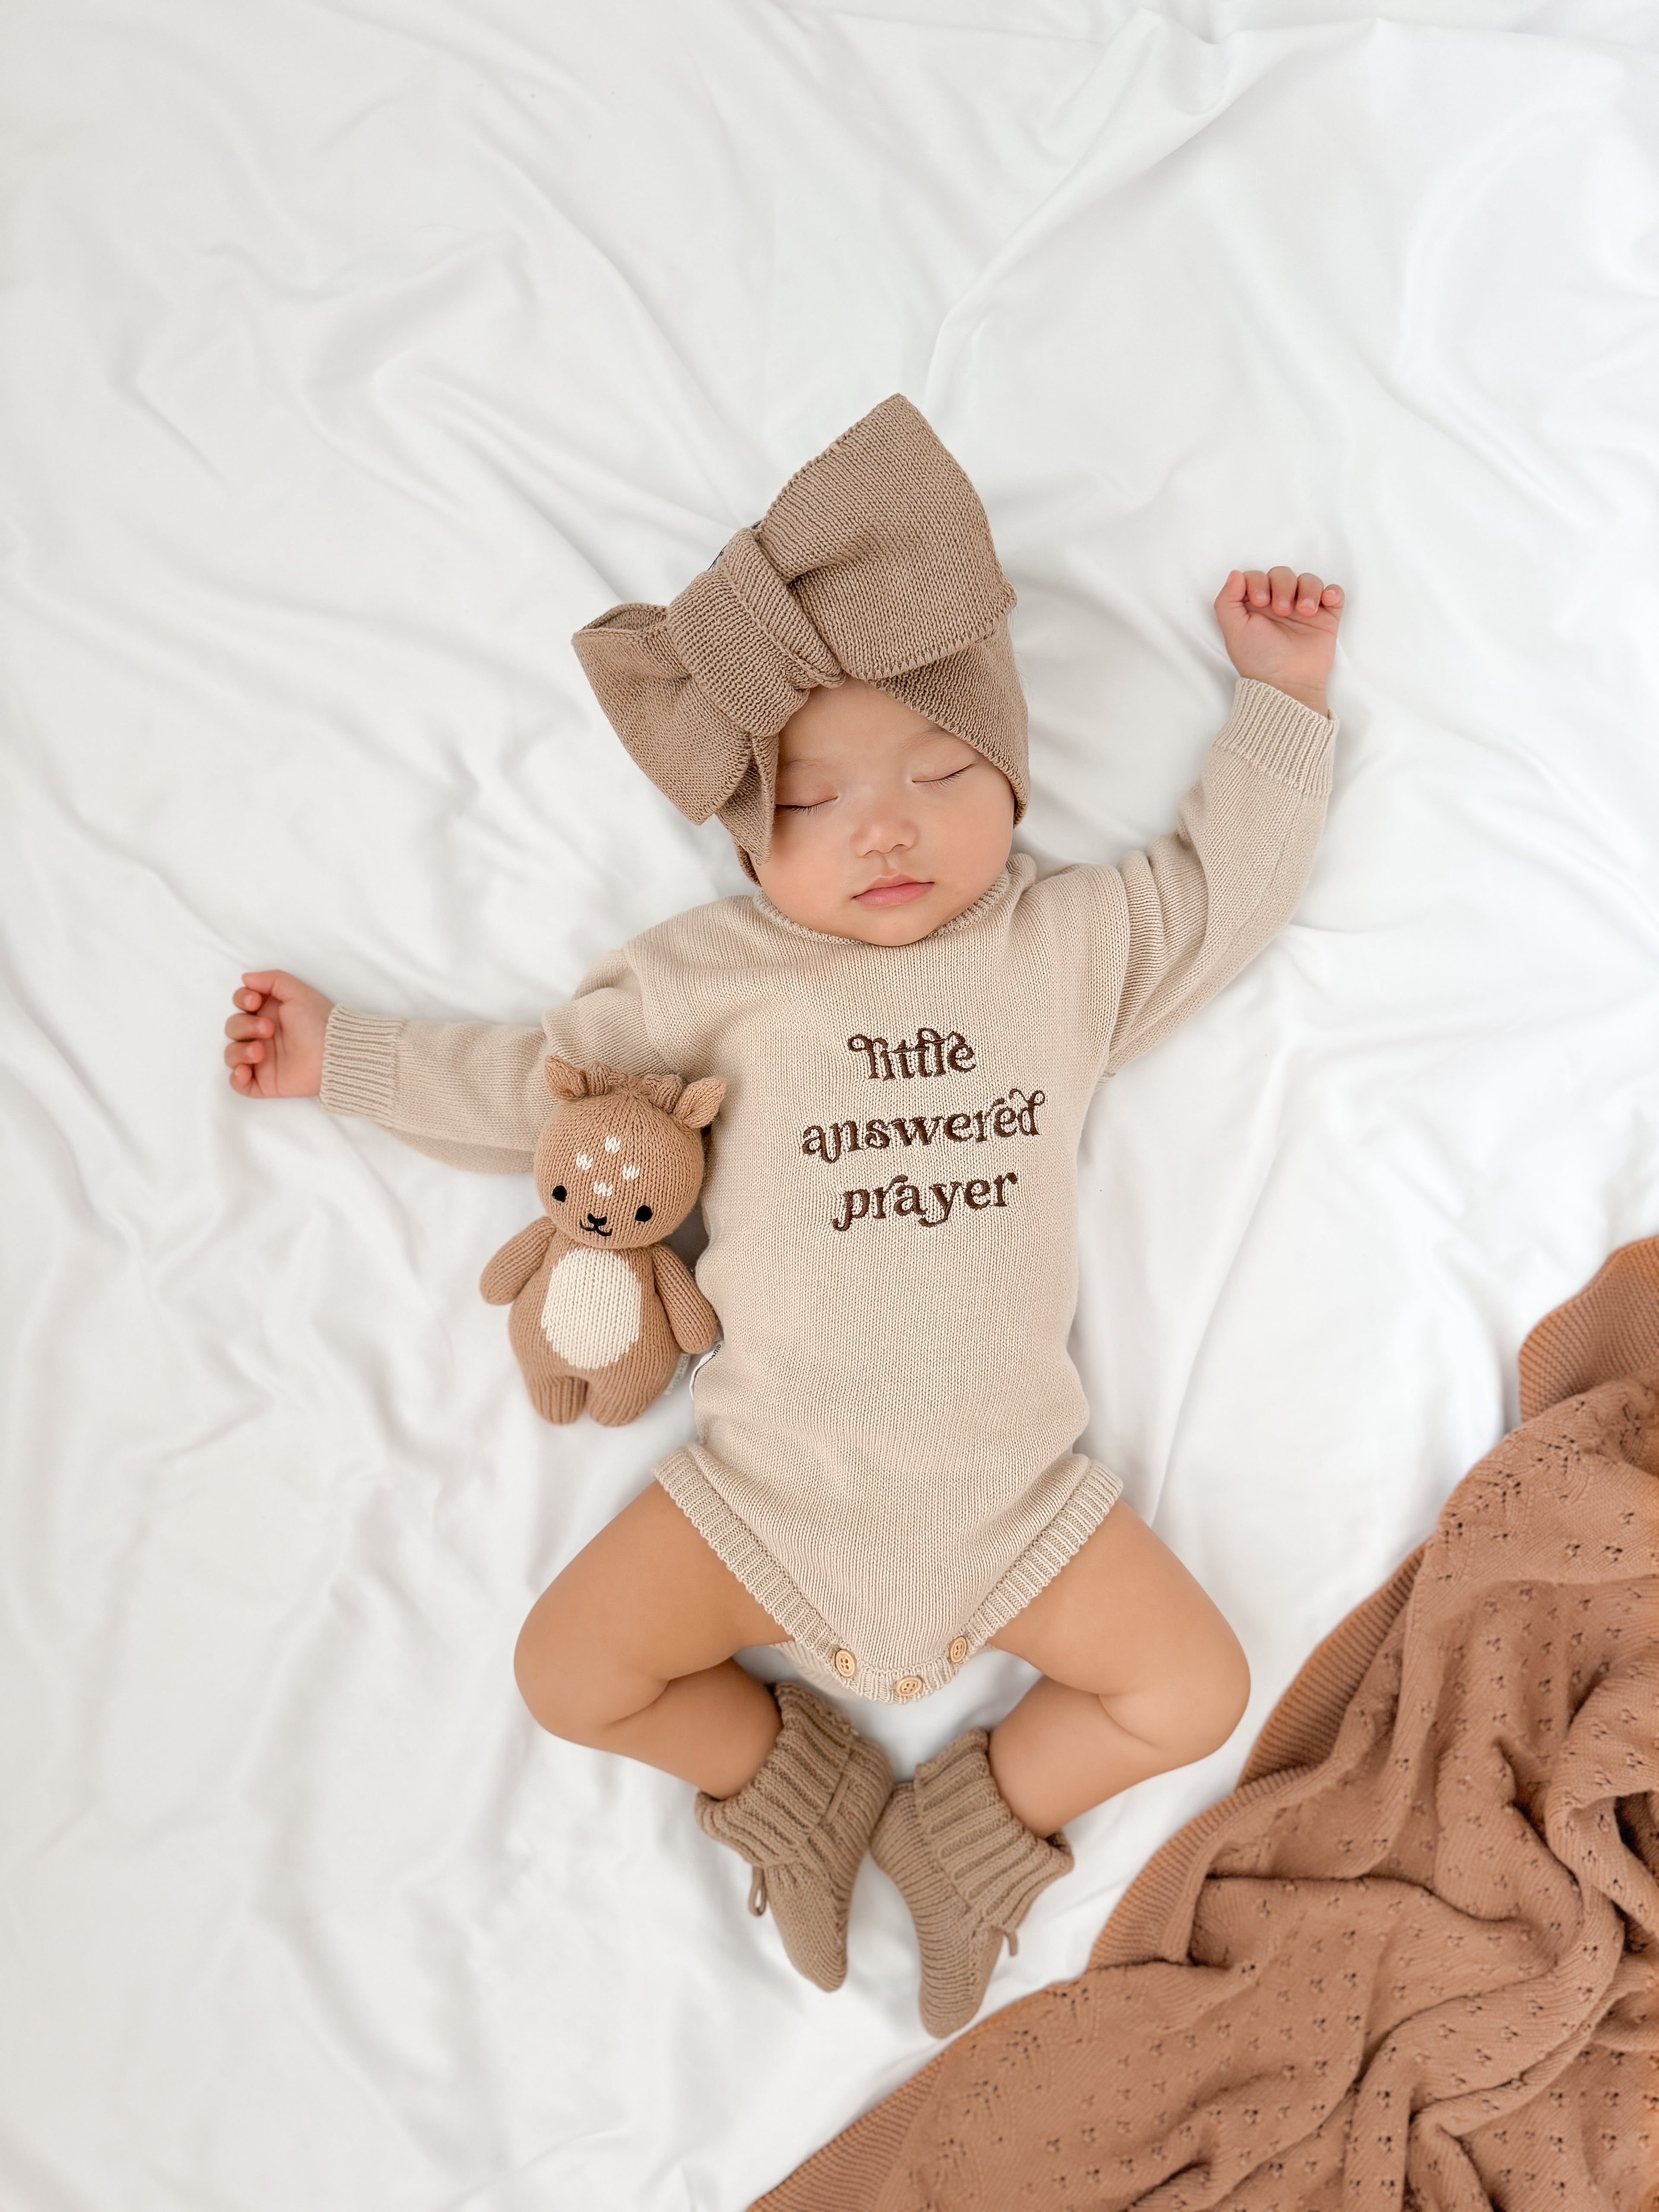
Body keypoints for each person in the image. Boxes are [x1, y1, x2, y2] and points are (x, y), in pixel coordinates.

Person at [222, 397, 1343, 2037]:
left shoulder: (1065, 952)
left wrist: (1281, 704)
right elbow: (552, 1102)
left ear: (1013, 785)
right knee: (568, 1673)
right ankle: (788, 1783)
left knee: (1195, 1689)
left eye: (940, 773)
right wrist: (351, 1059)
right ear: (750, 842)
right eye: (814, 804)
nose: (886, 825)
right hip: (765, 1500)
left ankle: (977, 1827)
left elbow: (1220, 894)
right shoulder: (710, 983)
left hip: (1016, 1505)